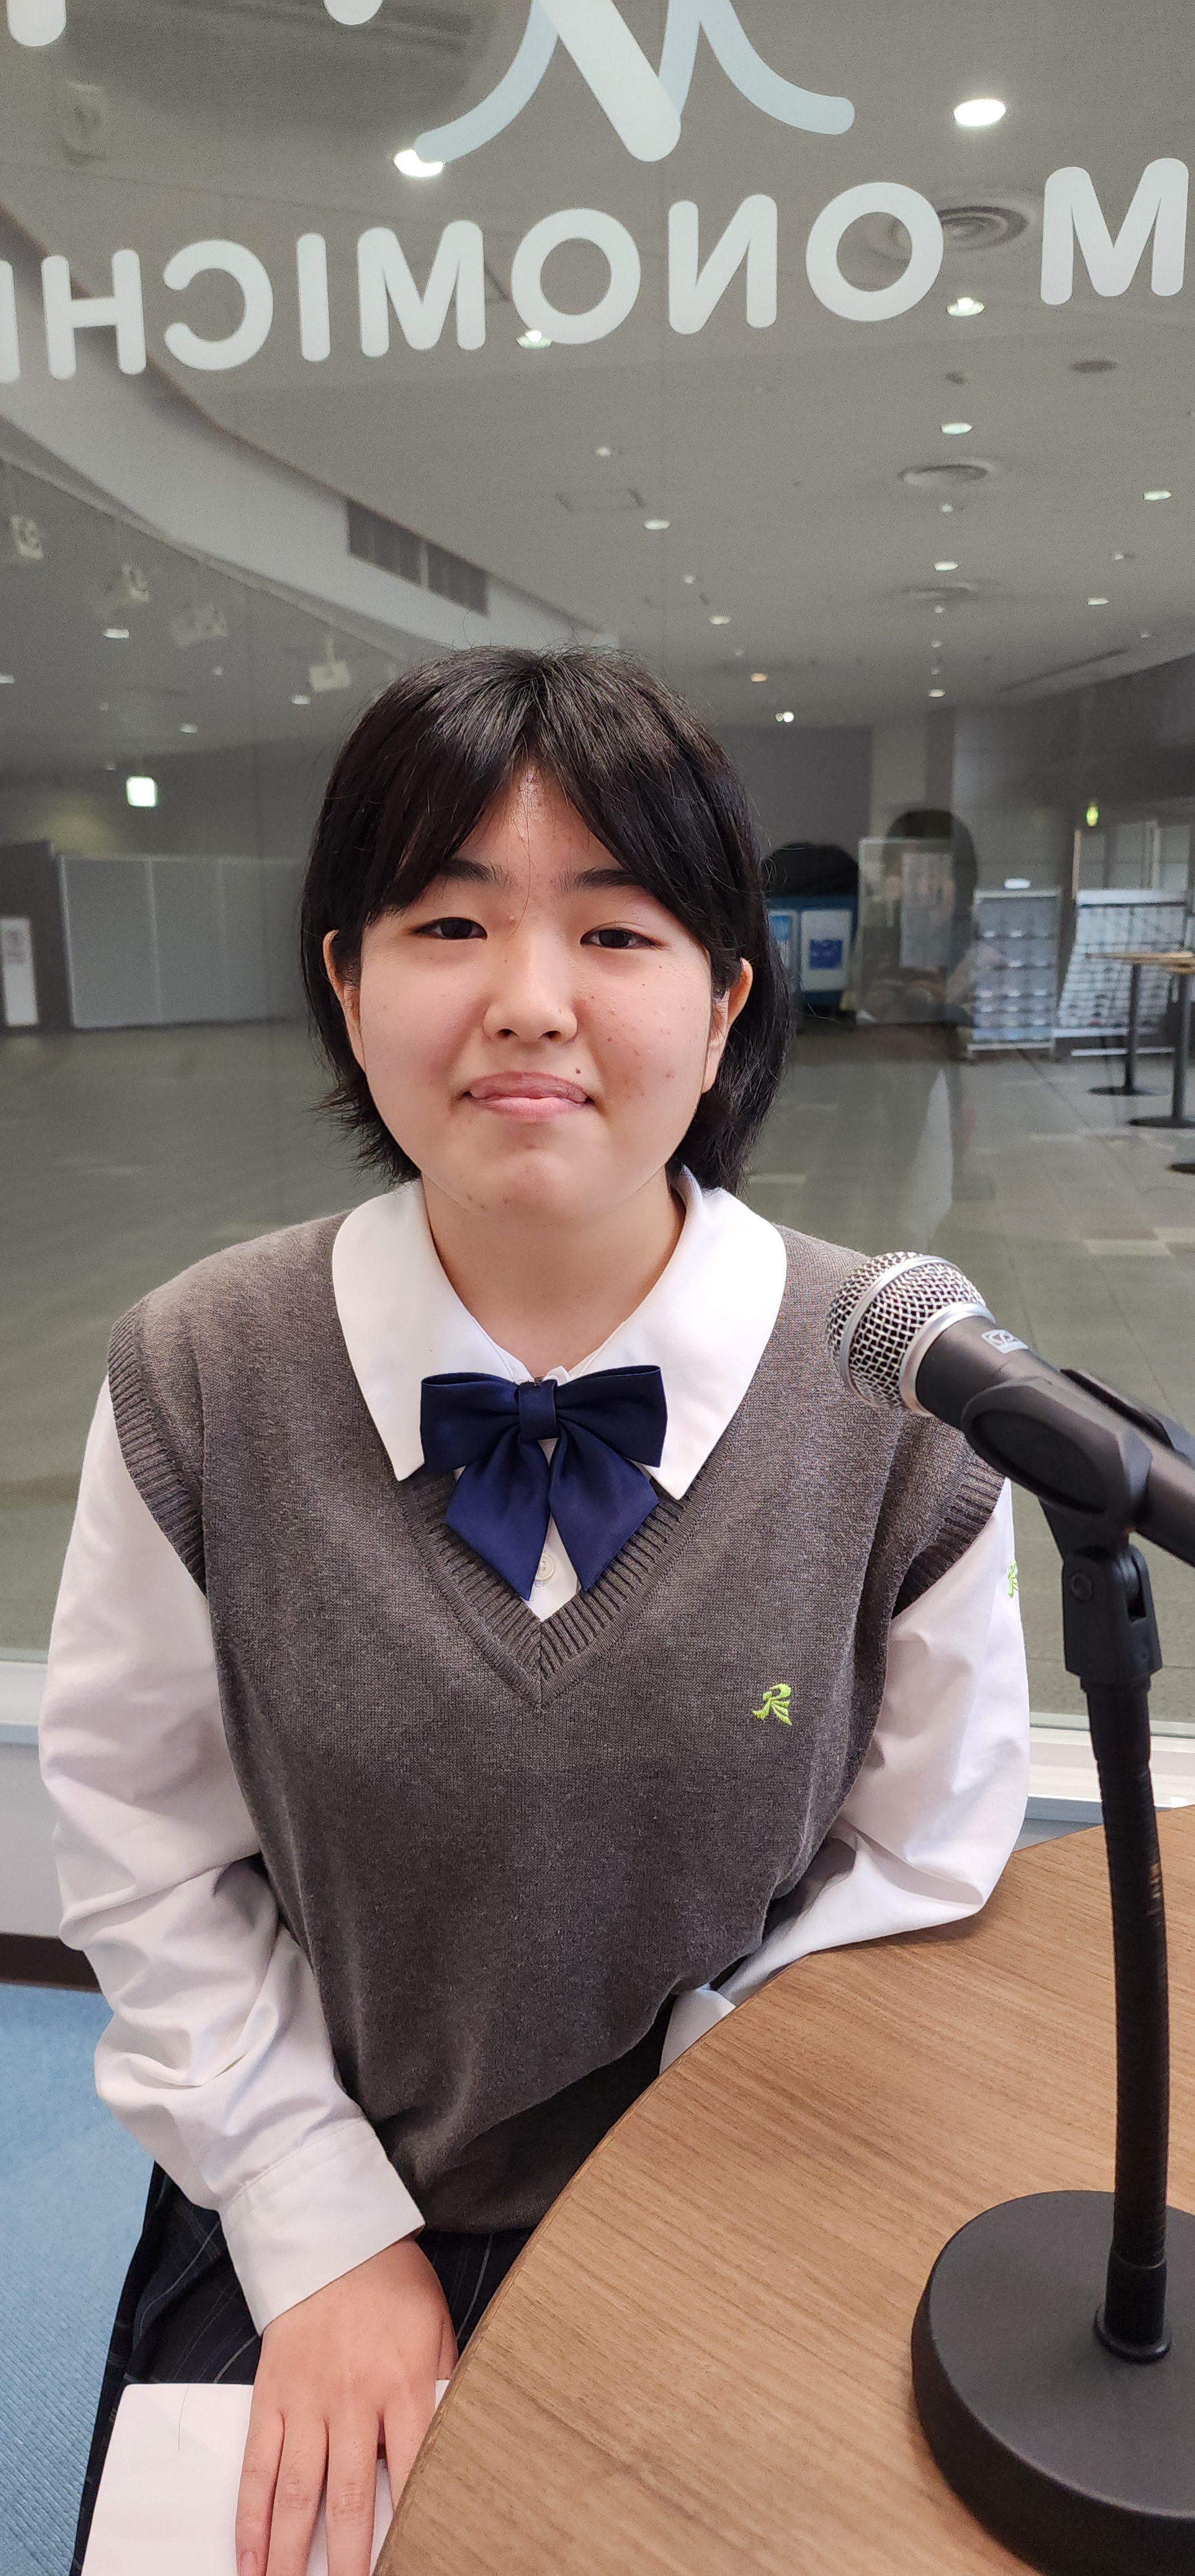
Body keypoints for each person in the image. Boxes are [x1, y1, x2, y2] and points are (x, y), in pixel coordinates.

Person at [40, 648, 1030, 2576]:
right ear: (347, 982)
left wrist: (675, 2181)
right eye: (449, 922)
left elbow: (924, 1862)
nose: (530, 1000)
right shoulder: (202, 1374)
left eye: (618, 930)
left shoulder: (900, 1390)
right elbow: (142, 1845)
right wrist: (320, 2226)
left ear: (728, 999)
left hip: (740, 2175)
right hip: (314, 2175)